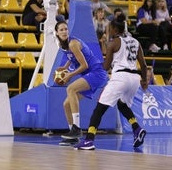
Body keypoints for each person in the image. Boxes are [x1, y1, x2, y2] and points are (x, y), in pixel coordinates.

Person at [74, 13, 148, 150]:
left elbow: (106, 67)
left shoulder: (113, 43)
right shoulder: (135, 42)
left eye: (109, 28)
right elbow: (143, 64)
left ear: (114, 29)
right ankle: (137, 129)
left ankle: (89, 140)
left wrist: (92, 65)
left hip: (121, 77)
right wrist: (144, 80)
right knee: (122, 104)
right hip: (134, 78)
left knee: (99, 109)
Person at [54, 21, 109, 146]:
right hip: (90, 74)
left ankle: (76, 129)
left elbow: (85, 65)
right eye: (61, 30)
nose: (64, 31)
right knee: (66, 104)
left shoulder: (73, 43)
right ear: (56, 33)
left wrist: (70, 75)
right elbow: (71, 59)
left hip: (97, 72)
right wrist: (64, 69)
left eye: (65, 29)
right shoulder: (64, 46)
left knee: (71, 89)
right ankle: (72, 137)